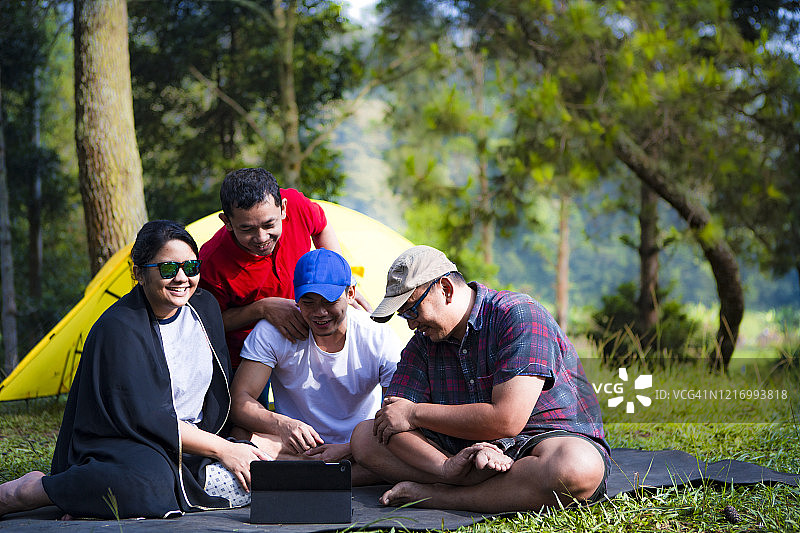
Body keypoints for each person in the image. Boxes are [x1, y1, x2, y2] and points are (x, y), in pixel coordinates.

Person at [0, 221, 271, 520]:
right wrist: (223, 450)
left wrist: (231, 445)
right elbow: (148, 419)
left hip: (195, 445)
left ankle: (88, 497)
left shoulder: (204, 307)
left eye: (191, 267)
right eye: (168, 269)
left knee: (263, 467)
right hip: (130, 443)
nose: (182, 278)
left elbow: (217, 396)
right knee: (149, 486)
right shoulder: (119, 327)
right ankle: (30, 491)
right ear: (139, 273)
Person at [350, 245, 609, 513]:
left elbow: (507, 420)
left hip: (538, 442)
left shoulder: (518, 314)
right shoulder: (422, 343)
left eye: (412, 311)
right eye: (403, 315)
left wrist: (414, 413)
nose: (411, 324)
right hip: (459, 454)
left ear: (446, 290)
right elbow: (392, 418)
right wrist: (446, 467)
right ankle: (468, 481)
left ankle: (440, 496)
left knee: (577, 468)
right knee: (365, 438)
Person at [230, 249, 402, 485]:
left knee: (402, 444)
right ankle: (335, 476)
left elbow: (399, 409)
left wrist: (349, 447)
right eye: (308, 302)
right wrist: (282, 424)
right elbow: (239, 401)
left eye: (329, 301)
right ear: (296, 297)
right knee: (240, 436)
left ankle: (304, 475)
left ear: (350, 293)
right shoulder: (272, 331)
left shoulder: (377, 335)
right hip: (297, 446)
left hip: (362, 447)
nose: (319, 313)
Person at [198, 167, 369, 369]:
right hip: (245, 356)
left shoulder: (296, 205)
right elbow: (207, 323)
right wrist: (262, 308)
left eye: (269, 225)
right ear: (227, 221)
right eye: (247, 229)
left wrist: (340, 277)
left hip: (305, 339)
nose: (261, 238)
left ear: (283, 209)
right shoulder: (211, 262)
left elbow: (321, 226)